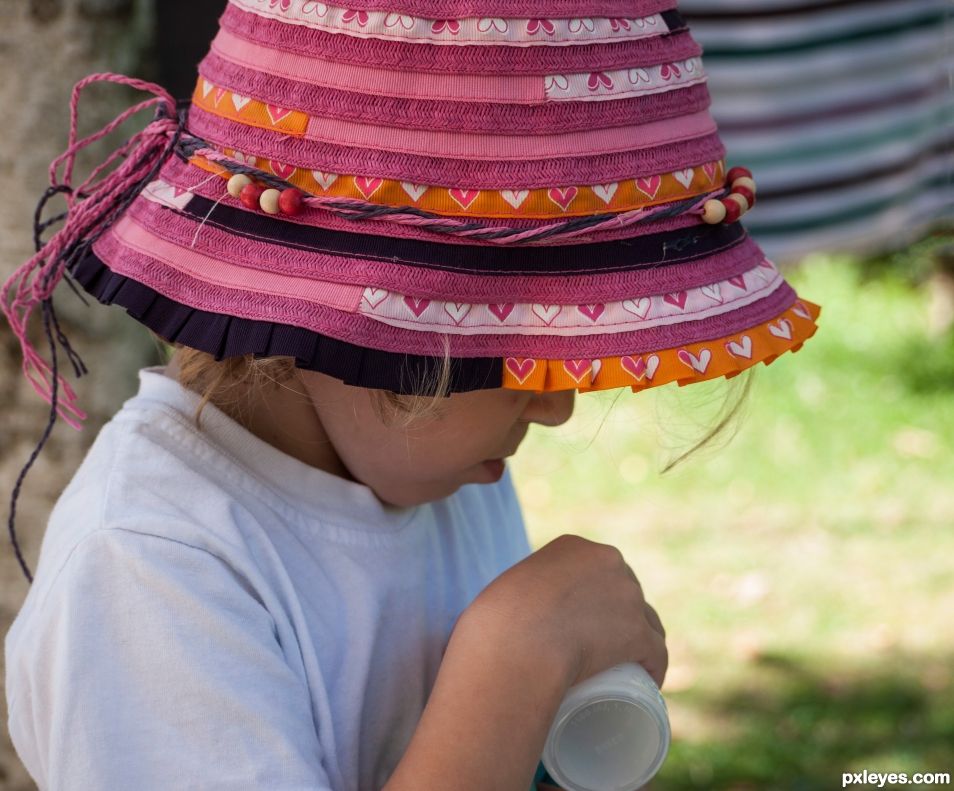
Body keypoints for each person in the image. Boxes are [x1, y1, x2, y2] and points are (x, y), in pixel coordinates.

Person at [1, 1, 821, 789]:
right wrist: (512, 667)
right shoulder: (148, 568)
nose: (557, 405)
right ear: (333, 310)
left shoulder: (437, 477)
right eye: (509, 343)